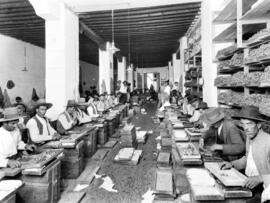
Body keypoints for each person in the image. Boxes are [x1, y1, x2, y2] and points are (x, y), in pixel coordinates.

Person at [220, 106, 270, 202]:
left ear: (259, 125)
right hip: (248, 182)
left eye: (249, 124)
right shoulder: (249, 136)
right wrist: (232, 164)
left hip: (265, 189)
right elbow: (248, 159)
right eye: (243, 124)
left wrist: (261, 178)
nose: (246, 128)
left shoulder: (268, 141)